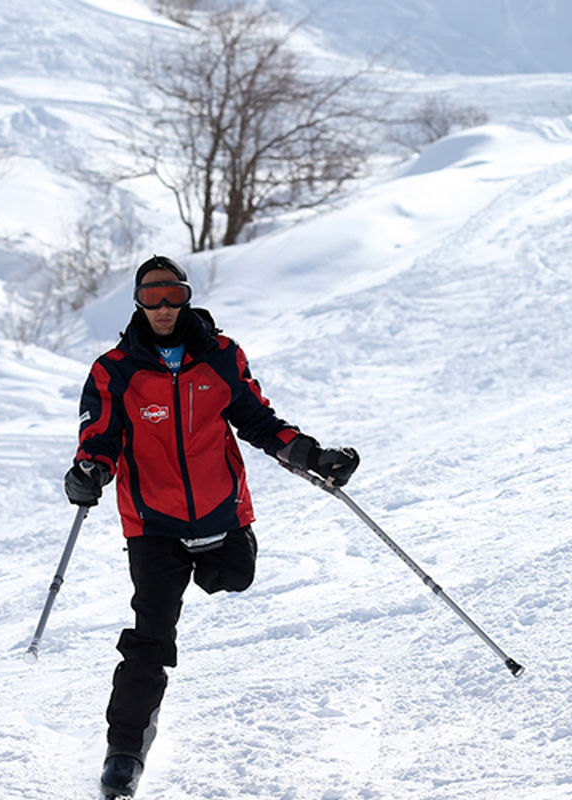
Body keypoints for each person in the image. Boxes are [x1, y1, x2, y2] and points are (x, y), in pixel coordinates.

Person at [64, 255, 359, 799]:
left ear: (187, 296)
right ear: (136, 301)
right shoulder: (115, 369)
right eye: (151, 296)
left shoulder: (221, 356)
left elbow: (256, 417)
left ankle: (218, 560)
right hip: (154, 524)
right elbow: (99, 438)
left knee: (234, 576)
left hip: (222, 513)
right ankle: (124, 754)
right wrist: (88, 474)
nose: (162, 307)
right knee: (150, 639)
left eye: (172, 294)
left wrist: (307, 453)